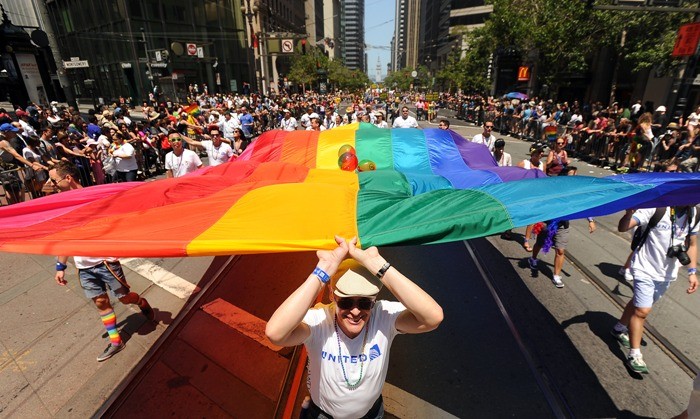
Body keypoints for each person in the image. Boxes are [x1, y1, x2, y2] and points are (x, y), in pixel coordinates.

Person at [265, 236, 443, 419]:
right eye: (346, 301)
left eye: (365, 302)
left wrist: (377, 265)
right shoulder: (320, 321)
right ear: (332, 296)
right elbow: (275, 333)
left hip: (371, 414)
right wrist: (322, 271)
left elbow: (432, 318)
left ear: (375, 300)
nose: (356, 311)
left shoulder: (383, 316)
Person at [50, 161, 155, 362]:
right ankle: (116, 342)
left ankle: (141, 302)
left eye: (54, 180)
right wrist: (60, 266)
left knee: (124, 298)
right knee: (101, 302)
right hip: (85, 267)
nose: (51, 184)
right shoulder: (63, 206)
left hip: (106, 262)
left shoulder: (92, 199)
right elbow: (65, 238)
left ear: (68, 178)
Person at [611, 205, 698, 374]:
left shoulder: (694, 213)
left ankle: (619, 328)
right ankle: (634, 354)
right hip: (644, 268)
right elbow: (623, 227)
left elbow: (692, 244)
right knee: (643, 310)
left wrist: (692, 272)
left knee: (640, 303)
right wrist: (629, 213)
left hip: (667, 273)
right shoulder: (657, 208)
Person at [528, 166, 596, 288]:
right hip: (548, 222)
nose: (574, 178)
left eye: (576, 175)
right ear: (564, 176)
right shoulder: (554, 188)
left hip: (563, 225)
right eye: (572, 175)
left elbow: (583, 204)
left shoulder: (575, 191)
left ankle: (556, 275)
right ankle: (533, 258)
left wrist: (590, 220)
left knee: (560, 250)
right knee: (540, 243)